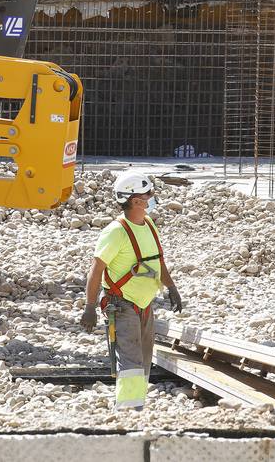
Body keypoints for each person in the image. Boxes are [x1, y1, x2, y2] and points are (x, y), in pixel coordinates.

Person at [80, 172, 183, 411]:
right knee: (131, 361)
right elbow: (95, 272)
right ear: (136, 200)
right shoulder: (116, 232)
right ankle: (128, 413)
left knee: (144, 360)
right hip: (122, 305)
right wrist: (89, 307)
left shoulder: (148, 224)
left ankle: (136, 407)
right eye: (148, 194)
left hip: (145, 304)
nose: (152, 197)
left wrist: (171, 287)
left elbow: (157, 261)